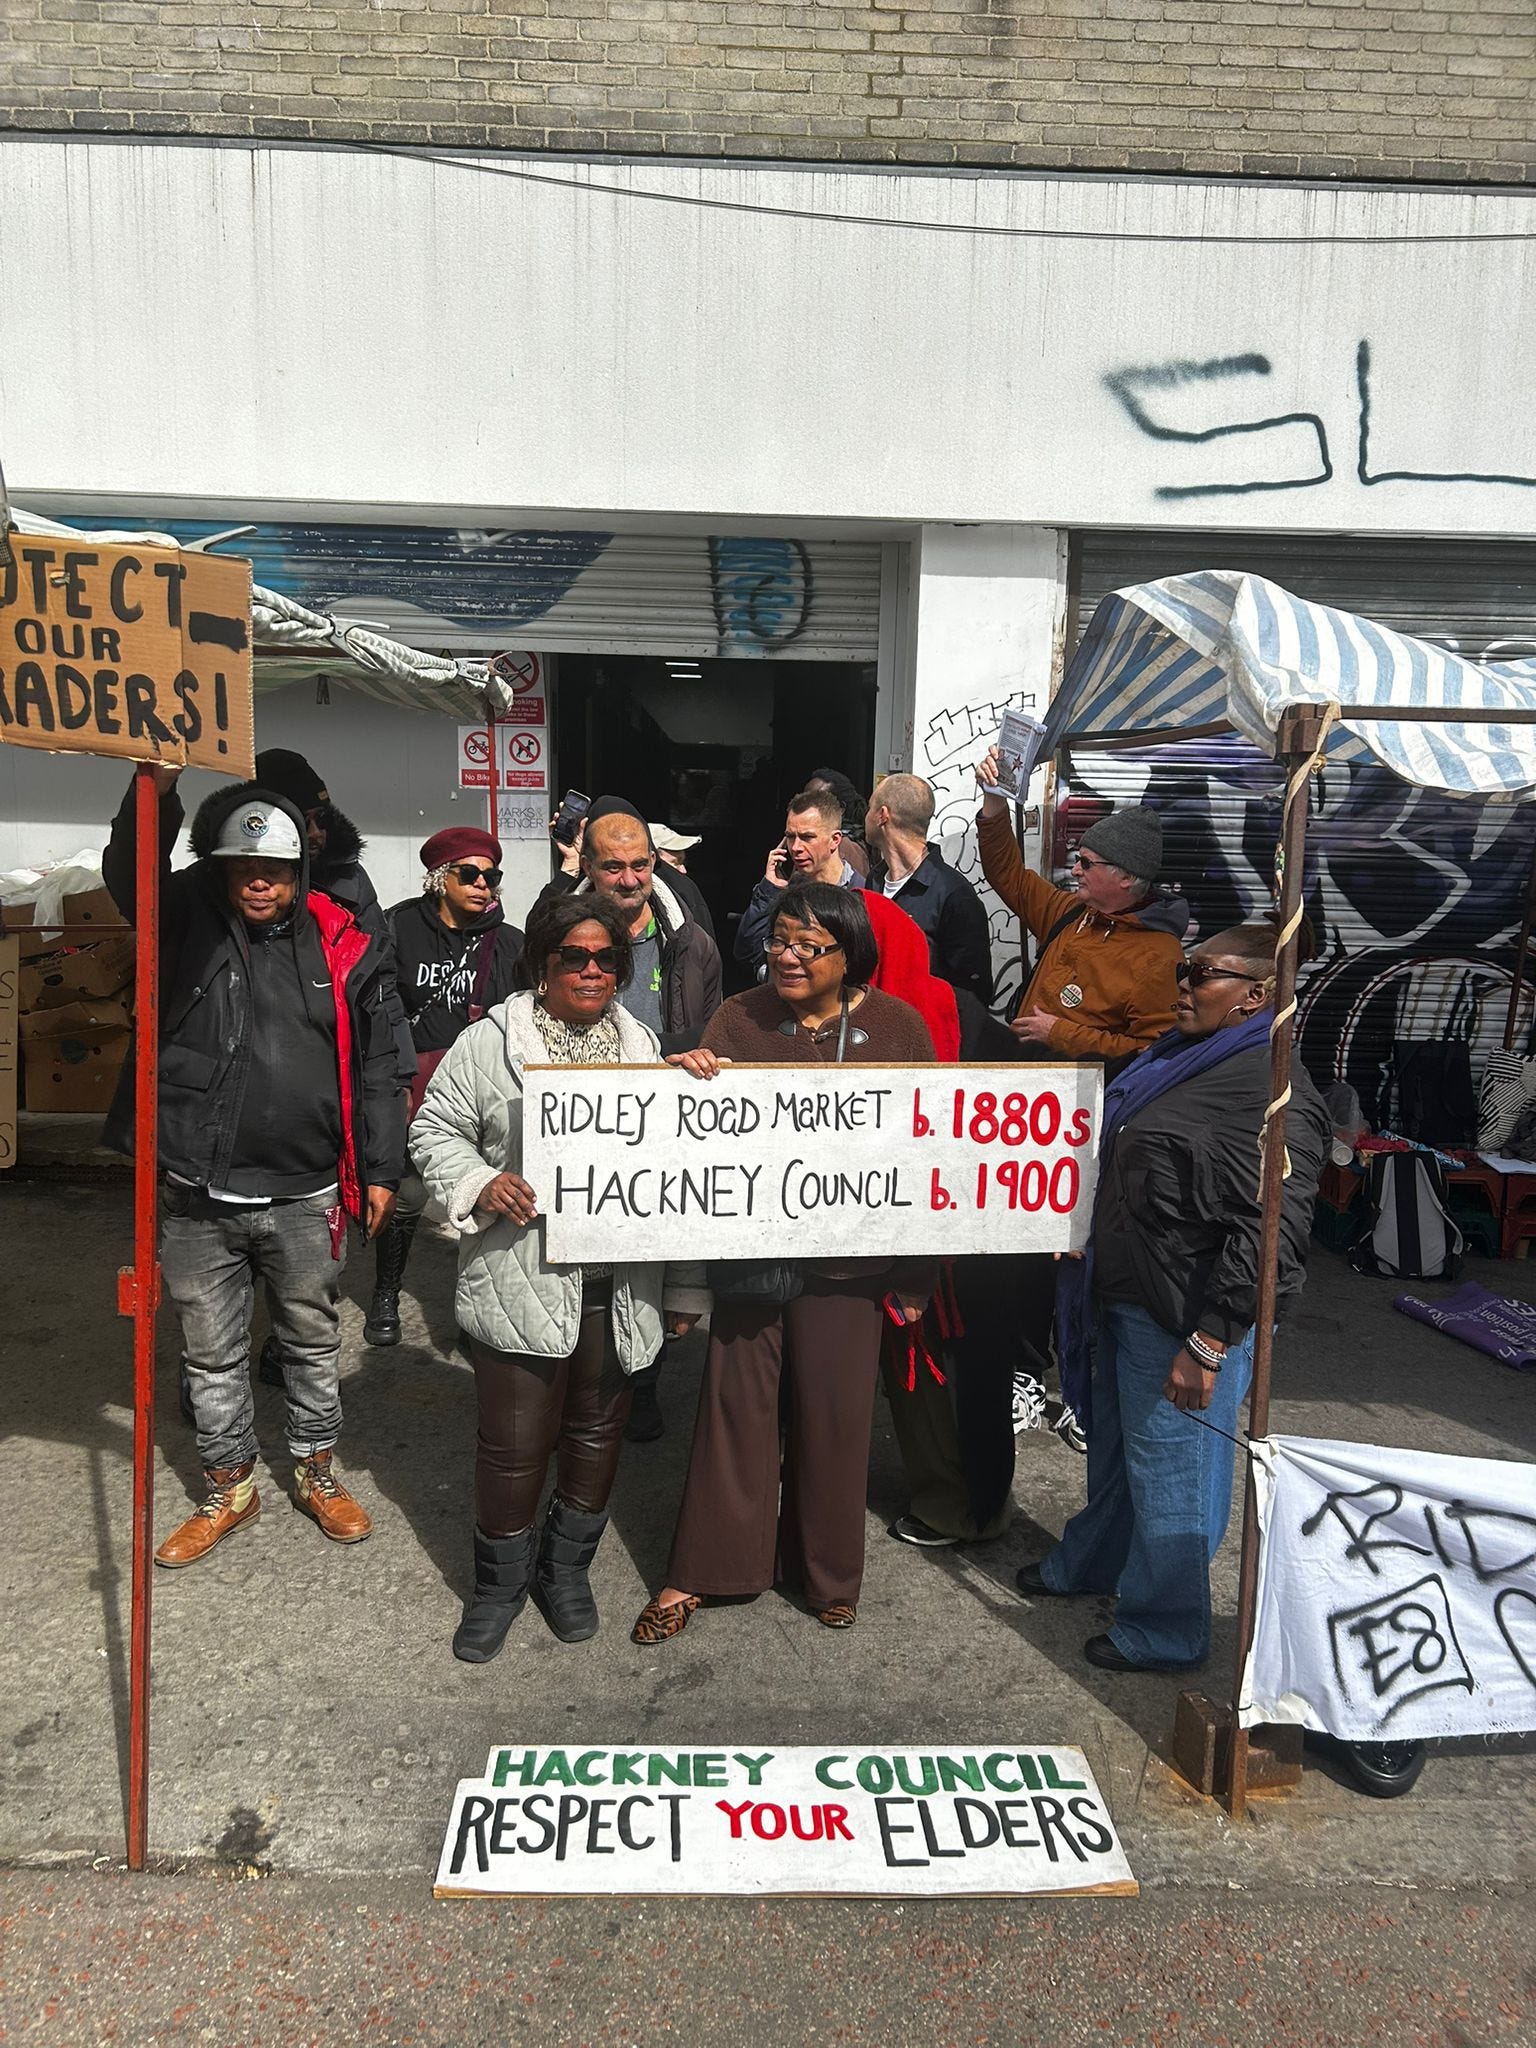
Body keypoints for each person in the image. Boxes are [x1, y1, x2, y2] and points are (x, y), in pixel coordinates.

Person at [102, 768, 406, 1567]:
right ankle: (229, 1487)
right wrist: (158, 783)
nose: (259, 880)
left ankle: (315, 1471)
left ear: (301, 868)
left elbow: (381, 1062)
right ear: (218, 866)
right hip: (200, 1189)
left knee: (311, 1341)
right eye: (243, 865)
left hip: (308, 1191)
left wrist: (381, 1168)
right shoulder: (185, 920)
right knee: (210, 1353)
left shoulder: (345, 936)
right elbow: (130, 868)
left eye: (274, 867)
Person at [1016, 923, 1329, 1675]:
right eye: (1184, 969)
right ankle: (1094, 1563)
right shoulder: (1177, 1056)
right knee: (1117, 1457)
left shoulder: (1272, 1091)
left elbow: (1273, 1235)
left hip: (1185, 1315)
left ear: (1257, 995)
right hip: (1125, 1294)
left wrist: (1212, 1341)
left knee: (1174, 1476)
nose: (1181, 985)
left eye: (1202, 973)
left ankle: (1165, 1628)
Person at [632, 883, 937, 1644]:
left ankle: (828, 1575)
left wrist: (916, 1274)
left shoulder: (899, 1027)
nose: (788, 957)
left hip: (851, 1268)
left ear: (849, 954)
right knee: (733, 1413)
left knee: (836, 1420)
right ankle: (704, 1570)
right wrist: (686, 1076)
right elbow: (695, 1142)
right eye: (779, 941)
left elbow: (929, 1158)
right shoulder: (738, 1017)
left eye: (809, 945)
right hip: (753, 1260)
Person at [410, 894, 706, 1662]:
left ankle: (565, 1572)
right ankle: (498, 1588)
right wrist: (480, 1183)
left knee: (596, 1435)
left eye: (606, 958)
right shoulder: (489, 1044)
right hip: (523, 1276)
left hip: (619, 1287)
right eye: (574, 956)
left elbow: (678, 1175)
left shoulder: (644, 1048)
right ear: (542, 963)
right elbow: (435, 1130)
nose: (591, 970)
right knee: (513, 1446)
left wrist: (683, 1286)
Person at [975, 751, 1191, 1447]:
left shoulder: (1158, 957)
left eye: (1088, 862)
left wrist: (1060, 1032)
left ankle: (1077, 1385)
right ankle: (1027, 1373)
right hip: (1031, 1112)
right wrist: (994, 803)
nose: (1075, 868)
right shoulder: (1073, 915)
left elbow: (1155, 1053)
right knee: (1023, 1246)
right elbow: (1007, 874)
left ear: (1125, 879)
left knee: (1076, 1252)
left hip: (1090, 1123)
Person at [363, 827, 527, 1348]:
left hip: (483, 1085)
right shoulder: (398, 928)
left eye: (491, 876)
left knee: (484, 1193)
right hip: (415, 1081)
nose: (483, 885)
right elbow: (380, 1010)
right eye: (469, 874)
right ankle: (386, 1291)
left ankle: (475, 1310)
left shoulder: (509, 942)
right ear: (439, 878)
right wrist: (393, 1078)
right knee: (408, 1192)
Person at [864, 772, 994, 1004]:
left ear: (882, 815)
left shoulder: (954, 894)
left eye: (869, 807)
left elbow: (973, 994)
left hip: (926, 1024)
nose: (866, 816)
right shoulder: (874, 881)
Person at [733, 787, 867, 971]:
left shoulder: (860, 895)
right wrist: (769, 890)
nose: (796, 847)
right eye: (790, 837)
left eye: (807, 837)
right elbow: (747, 952)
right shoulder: (786, 891)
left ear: (835, 840)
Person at [806, 767, 871, 877]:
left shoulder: (844, 847)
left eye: (816, 803)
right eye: (804, 801)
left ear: (840, 809)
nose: (806, 808)